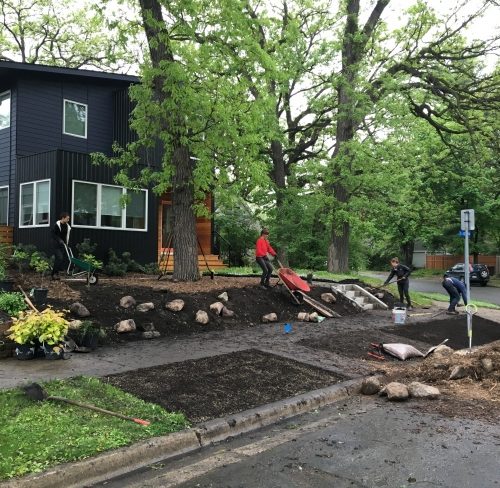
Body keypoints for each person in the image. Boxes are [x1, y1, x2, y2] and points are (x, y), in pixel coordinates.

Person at [51, 212, 71, 280]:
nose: (68, 220)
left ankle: (55, 274)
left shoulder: (67, 226)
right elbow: (53, 235)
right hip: (56, 245)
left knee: (58, 259)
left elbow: (66, 236)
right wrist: (59, 240)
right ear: (63, 218)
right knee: (60, 258)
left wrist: (66, 244)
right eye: (67, 218)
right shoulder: (57, 225)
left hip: (63, 245)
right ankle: (54, 274)